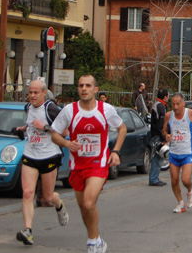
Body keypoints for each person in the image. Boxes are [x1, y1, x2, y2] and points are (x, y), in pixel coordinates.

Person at [51, 75, 127, 253]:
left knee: (88, 203)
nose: (84, 88)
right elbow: (54, 134)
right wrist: (67, 144)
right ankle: (97, 238)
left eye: (87, 85)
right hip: (77, 165)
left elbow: (122, 128)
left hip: (98, 164)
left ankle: (92, 242)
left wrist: (115, 151)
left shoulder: (106, 109)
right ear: (78, 89)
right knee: (83, 209)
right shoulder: (70, 110)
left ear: (95, 89)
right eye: (80, 86)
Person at [12, 80, 68, 246]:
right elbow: (31, 124)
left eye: (36, 92)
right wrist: (22, 129)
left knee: (48, 198)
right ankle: (28, 231)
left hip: (49, 156)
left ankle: (59, 204)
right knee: (28, 193)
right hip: (31, 154)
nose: (32, 96)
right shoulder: (28, 107)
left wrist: (45, 128)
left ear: (44, 93)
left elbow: (64, 132)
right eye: (30, 92)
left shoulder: (51, 109)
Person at [162, 93, 192, 213]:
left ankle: (190, 191)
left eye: (178, 104)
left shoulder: (191, 114)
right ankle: (180, 203)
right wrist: (166, 135)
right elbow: (164, 130)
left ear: (183, 104)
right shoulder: (168, 115)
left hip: (187, 152)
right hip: (174, 152)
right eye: (173, 104)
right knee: (174, 180)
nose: (175, 107)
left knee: (185, 179)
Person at [149, 89, 169, 186]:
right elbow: (161, 124)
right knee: (158, 156)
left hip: (156, 134)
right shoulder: (160, 106)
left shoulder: (158, 105)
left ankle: (154, 177)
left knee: (158, 157)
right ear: (165, 96)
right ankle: (154, 179)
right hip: (157, 135)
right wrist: (163, 139)